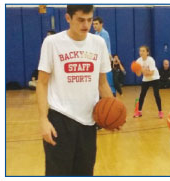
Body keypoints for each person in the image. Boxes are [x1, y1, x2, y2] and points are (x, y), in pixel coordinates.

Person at [32, 5, 113, 176]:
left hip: (89, 122)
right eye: (81, 20)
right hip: (59, 120)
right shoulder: (52, 42)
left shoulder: (98, 43)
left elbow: (103, 84)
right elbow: (42, 83)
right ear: (68, 18)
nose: (86, 24)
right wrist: (43, 120)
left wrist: (114, 112)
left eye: (90, 20)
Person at [134, 45, 163, 118]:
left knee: (156, 95)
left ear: (147, 52)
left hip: (154, 78)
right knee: (142, 95)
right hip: (146, 79)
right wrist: (136, 69)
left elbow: (151, 73)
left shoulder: (150, 60)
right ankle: (139, 111)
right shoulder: (138, 61)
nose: (141, 52)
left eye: (143, 51)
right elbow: (138, 74)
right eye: (140, 51)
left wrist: (143, 70)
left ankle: (160, 111)